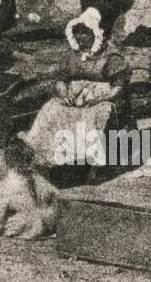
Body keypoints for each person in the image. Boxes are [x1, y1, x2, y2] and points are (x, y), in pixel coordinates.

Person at [18, 9, 132, 181]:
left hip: (104, 99)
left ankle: (90, 164)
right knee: (51, 109)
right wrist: (63, 90)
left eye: (85, 32)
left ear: (96, 33)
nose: (80, 37)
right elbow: (61, 78)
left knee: (90, 117)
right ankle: (42, 156)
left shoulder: (112, 57)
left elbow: (118, 88)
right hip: (74, 97)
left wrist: (98, 98)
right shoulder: (73, 55)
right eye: (77, 32)